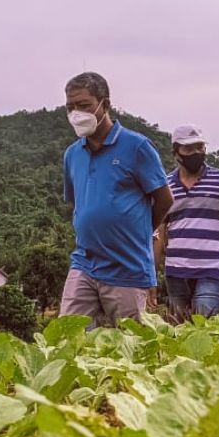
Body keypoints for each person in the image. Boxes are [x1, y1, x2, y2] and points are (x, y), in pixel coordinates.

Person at [58, 72, 174, 328]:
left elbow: (165, 199)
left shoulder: (137, 147)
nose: (76, 113)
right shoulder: (72, 155)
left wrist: (142, 231)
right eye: (70, 107)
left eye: (84, 105)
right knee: (68, 339)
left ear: (105, 104)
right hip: (85, 263)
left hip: (126, 267)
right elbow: (78, 203)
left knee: (130, 348)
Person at [154, 124, 219, 320]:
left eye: (200, 148)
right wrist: (151, 273)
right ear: (176, 152)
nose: (195, 153)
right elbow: (159, 231)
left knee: (204, 324)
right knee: (179, 327)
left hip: (211, 268)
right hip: (176, 270)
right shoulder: (166, 185)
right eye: (188, 149)